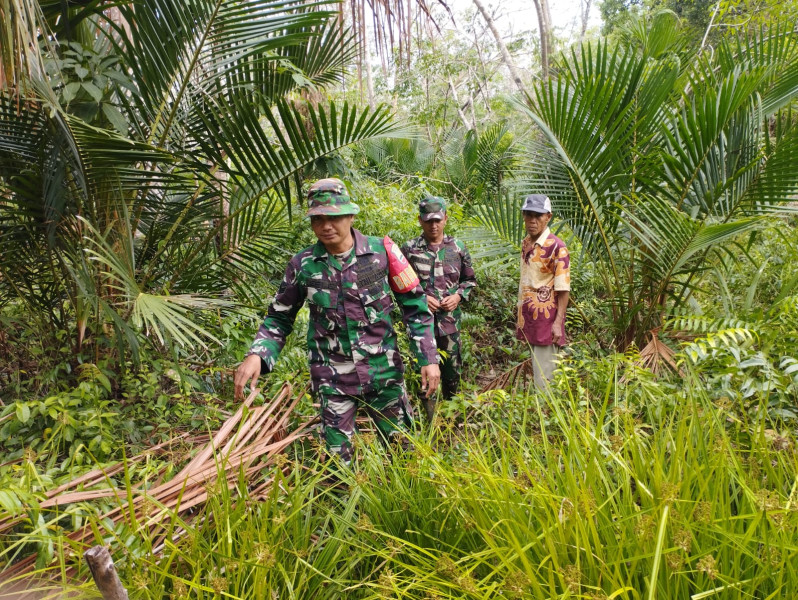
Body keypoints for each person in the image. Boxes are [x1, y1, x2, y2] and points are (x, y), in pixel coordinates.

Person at [234, 179, 440, 464]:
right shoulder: (303, 265)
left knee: (405, 454)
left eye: (334, 217)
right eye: (318, 219)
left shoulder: (383, 252)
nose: (326, 226)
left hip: (384, 374)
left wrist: (428, 358)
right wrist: (258, 354)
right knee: (336, 466)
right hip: (333, 381)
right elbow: (279, 317)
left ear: (351, 215)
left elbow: (415, 306)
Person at [401, 196, 476, 417]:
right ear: (420, 220)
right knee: (424, 373)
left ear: (445, 219)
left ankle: (453, 419)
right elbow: (401, 286)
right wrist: (422, 298)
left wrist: (459, 296)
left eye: (438, 220)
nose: (433, 226)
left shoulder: (458, 247)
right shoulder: (409, 250)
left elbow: (469, 280)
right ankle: (430, 421)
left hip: (450, 324)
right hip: (420, 326)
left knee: (452, 373)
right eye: (428, 221)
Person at [516, 194, 570, 388]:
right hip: (529, 318)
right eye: (528, 214)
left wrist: (558, 323)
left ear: (548, 216)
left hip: (546, 321)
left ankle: (546, 415)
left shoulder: (557, 247)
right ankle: (538, 414)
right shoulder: (526, 244)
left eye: (538, 215)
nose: (532, 220)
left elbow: (563, 289)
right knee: (536, 371)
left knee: (545, 378)